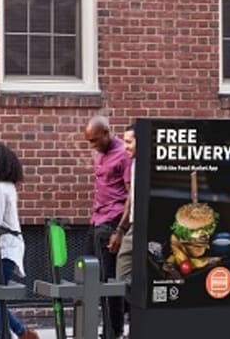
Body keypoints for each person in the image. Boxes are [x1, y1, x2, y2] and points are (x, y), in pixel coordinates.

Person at [0, 141, 39, 339]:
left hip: (1, 252)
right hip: (8, 250)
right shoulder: (8, 187)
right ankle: (22, 333)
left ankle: (13, 335)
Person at [84, 115, 131, 339]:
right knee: (92, 277)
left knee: (109, 280)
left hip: (112, 222)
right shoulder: (99, 153)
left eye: (95, 140)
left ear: (106, 132)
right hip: (96, 220)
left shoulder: (123, 154)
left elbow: (131, 194)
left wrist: (120, 230)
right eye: (89, 141)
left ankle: (113, 331)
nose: (92, 145)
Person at [112, 126, 136, 289]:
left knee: (123, 273)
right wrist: (121, 229)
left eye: (129, 142)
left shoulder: (143, 165)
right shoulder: (134, 163)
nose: (125, 147)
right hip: (132, 224)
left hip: (140, 226)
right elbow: (131, 197)